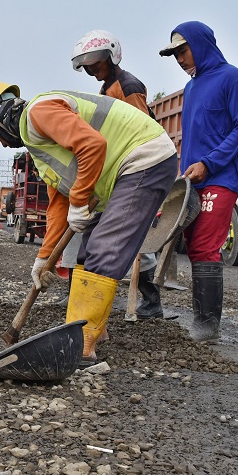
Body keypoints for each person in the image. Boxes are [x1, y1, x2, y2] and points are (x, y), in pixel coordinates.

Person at [0, 82, 178, 365]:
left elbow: (93, 145)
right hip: (125, 171)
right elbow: (59, 204)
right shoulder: (38, 148)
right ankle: (94, 328)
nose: (4, 144)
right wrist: (44, 258)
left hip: (144, 158)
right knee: (84, 254)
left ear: (0, 116)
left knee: (105, 248)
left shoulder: (38, 113)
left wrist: (79, 200)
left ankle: (81, 345)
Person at [160, 22, 238, 342]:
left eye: (183, 51)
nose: (180, 59)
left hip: (222, 177)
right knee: (193, 246)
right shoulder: (191, 88)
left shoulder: (232, 78)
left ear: (200, 45)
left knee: (204, 246)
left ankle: (207, 324)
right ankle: (202, 319)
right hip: (193, 180)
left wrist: (208, 163)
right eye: (174, 55)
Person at [72, 29, 164, 320]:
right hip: (116, 172)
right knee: (101, 236)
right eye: (86, 66)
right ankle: (86, 296)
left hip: (134, 169)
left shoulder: (127, 86)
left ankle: (150, 303)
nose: (91, 70)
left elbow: (139, 130)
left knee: (137, 241)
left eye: (95, 64)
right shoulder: (107, 88)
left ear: (111, 58)